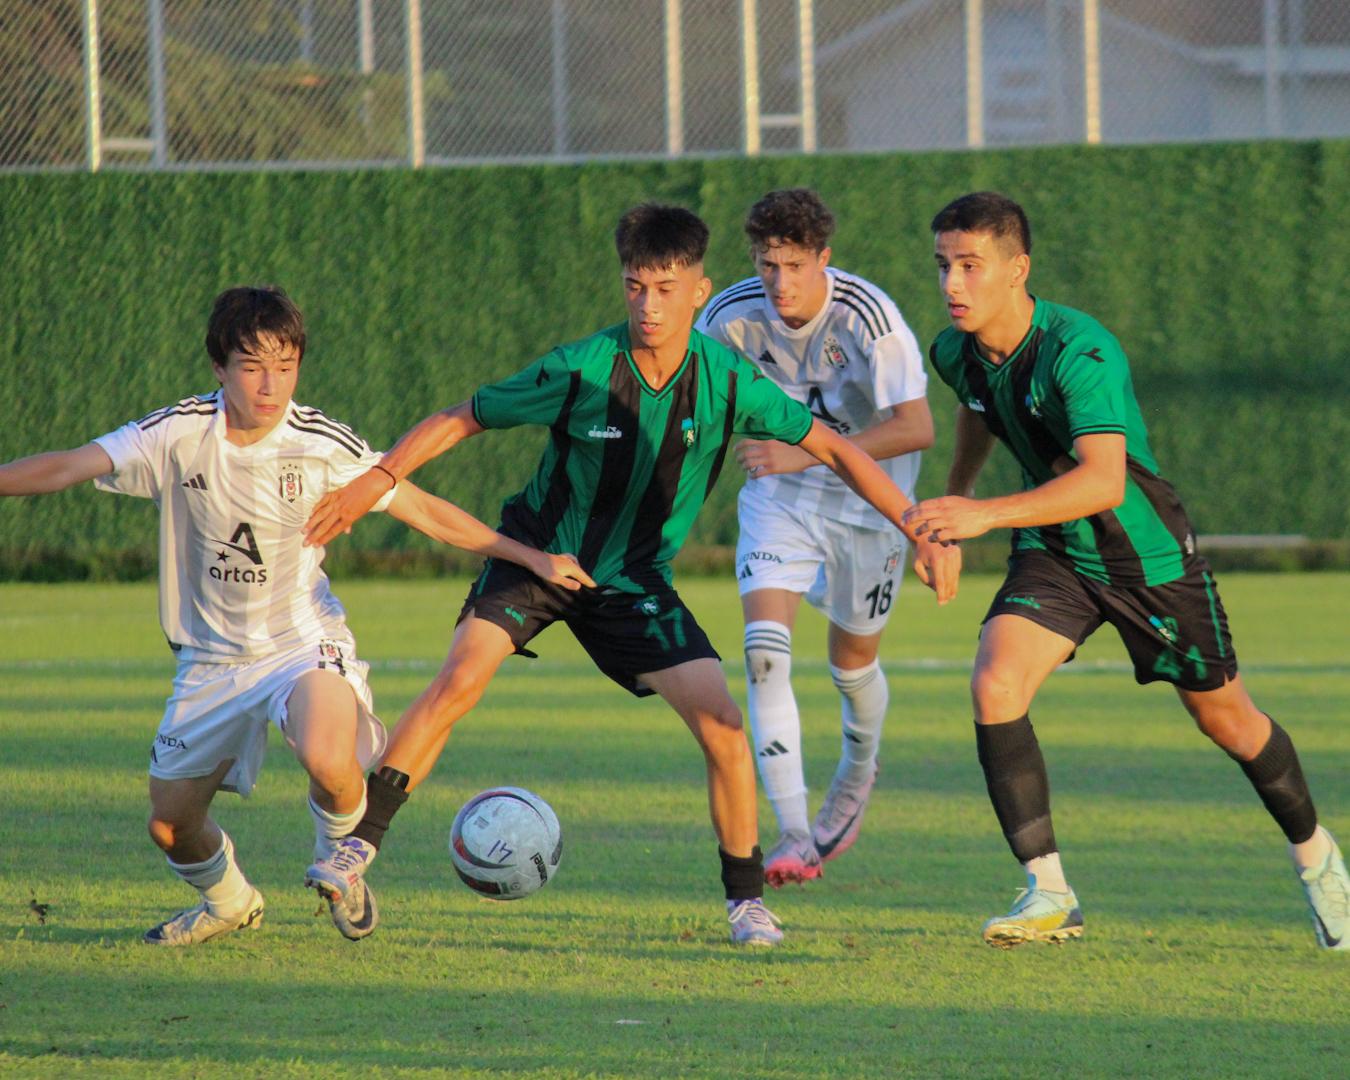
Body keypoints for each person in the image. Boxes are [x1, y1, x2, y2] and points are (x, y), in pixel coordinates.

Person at [302, 204, 958, 946]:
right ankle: (356, 850)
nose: (649, 305)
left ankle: (746, 904)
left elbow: (837, 449)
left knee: (724, 725)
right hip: (540, 554)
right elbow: (464, 416)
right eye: (635, 287)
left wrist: (917, 523)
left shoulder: (728, 380)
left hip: (636, 581)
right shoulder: (580, 368)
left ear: (700, 290)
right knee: (460, 679)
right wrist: (378, 477)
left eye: (666, 289)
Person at [0, 285, 589, 946]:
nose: (270, 383)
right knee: (170, 825)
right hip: (211, 663)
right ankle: (229, 901)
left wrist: (531, 558)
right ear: (219, 369)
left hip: (300, 644)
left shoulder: (319, 444)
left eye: (285, 365)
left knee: (330, 757)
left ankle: (344, 864)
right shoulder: (177, 434)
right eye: (252, 365)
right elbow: (70, 465)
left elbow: (421, 508)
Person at [904, 191, 1349, 950]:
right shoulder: (954, 350)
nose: (952, 283)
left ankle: (1319, 862)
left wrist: (981, 517)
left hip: (1144, 558)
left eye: (971, 266)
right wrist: (957, 500)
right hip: (1054, 552)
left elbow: (1104, 481)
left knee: (1227, 720)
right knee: (994, 682)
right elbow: (976, 407)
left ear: (1019, 270)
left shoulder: (1081, 349)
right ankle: (1049, 891)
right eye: (944, 264)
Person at [695, 188, 933, 887]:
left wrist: (805, 449)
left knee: (851, 666)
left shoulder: (869, 318)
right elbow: (697, 405)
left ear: (824, 259)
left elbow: (917, 426)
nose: (780, 283)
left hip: (870, 509)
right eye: (768, 265)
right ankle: (795, 832)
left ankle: (858, 772)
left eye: (795, 266)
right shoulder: (729, 317)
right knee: (764, 656)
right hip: (781, 501)